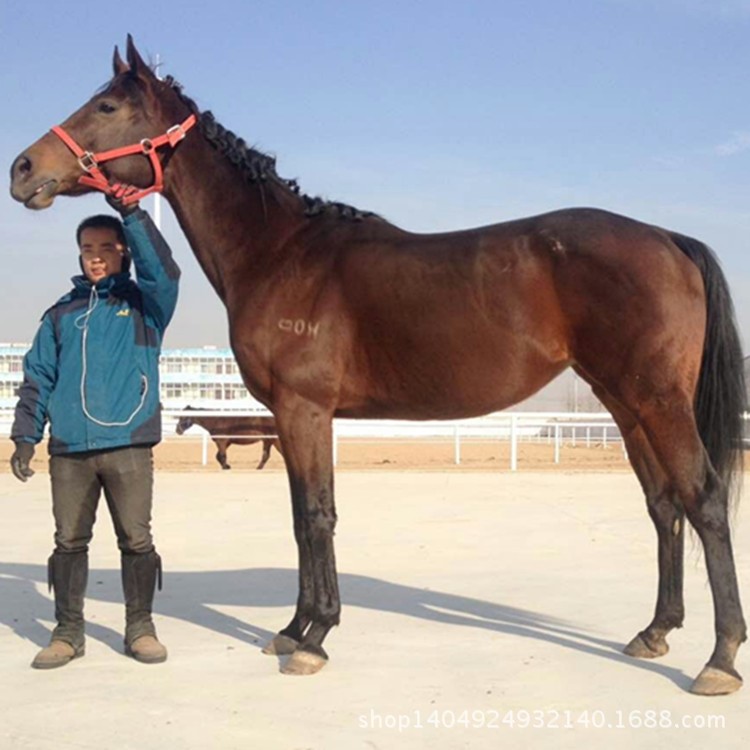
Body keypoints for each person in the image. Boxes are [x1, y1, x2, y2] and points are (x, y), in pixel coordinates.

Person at [9, 196, 180, 669]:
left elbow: (164, 271)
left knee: (137, 541)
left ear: (124, 251)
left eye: (107, 246)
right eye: (88, 248)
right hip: (70, 450)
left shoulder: (147, 305)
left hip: (128, 445)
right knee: (68, 542)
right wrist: (26, 435)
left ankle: (140, 627)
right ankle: (67, 632)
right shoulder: (61, 314)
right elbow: (38, 375)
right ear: (79, 254)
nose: (97, 255)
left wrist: (133, 217)